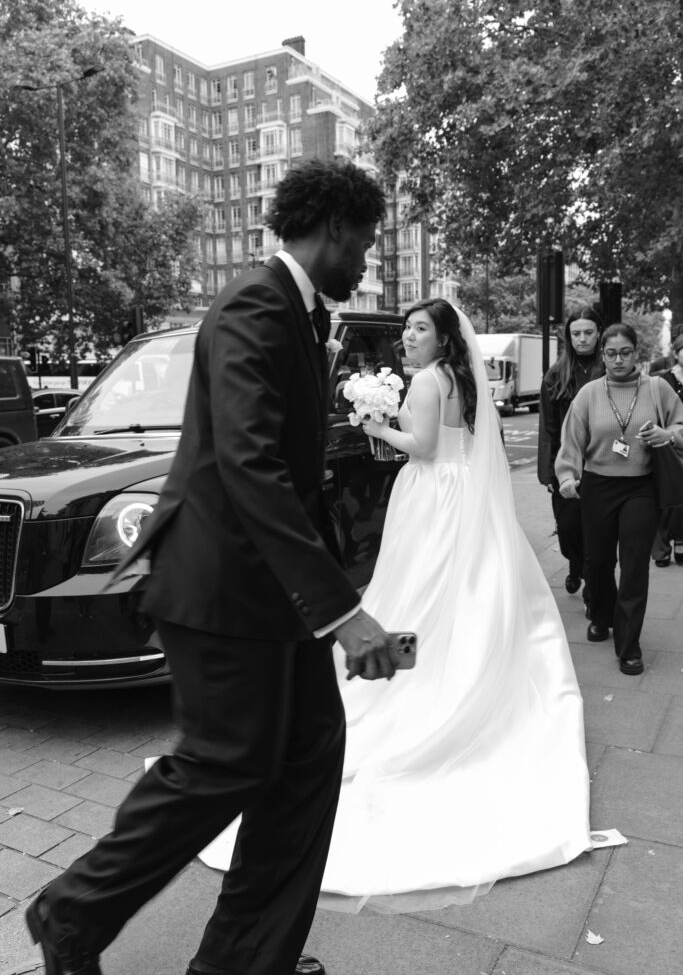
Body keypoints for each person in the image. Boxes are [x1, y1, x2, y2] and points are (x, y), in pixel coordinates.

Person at [24, 159, 399, 975]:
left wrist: (327, 601)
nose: (366, 260)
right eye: (365, 241)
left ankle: (243, 961)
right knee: (223, 762)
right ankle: (71, 912)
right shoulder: (253, 308)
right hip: (220, 590)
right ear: (333, 228)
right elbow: (250, 467)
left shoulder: (297, 315)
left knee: (304, 763)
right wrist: (344, 612)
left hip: (272, 597)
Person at [200, 298, 593, 912]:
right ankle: (458, 660)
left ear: (441, 340)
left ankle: (424, 677)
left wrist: (374, 425)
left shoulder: (430, 381)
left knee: (423, 585)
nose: (407, 338)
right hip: (460, 496)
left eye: (417, 329)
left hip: (434, 493)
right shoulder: (455, 376)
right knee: (459, 590)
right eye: (406, 328)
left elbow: (426, 446)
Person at [556, 322, 683, 675]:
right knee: (597, 562)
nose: (617, 360)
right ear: (603, 354)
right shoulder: (590, 394)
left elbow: (681, 426)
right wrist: (567, 476)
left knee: (634, 565)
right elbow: (571, 441)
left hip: (641, 488)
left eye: (625, 353)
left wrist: (667, 434)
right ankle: (600, 613)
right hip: (598, 486)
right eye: (610, 353)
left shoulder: (656, 388)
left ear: (636, 353)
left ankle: (629, 644)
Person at [538, 307, 603, 605]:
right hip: (566, 465)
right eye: (576, 333)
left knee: (596, 532)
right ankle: (575, 564)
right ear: (568, 336)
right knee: (567, 530)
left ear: (599, 333)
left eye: (588, 332)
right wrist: (548, 473)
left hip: (602, 465)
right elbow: (548, 426)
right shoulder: (556, 373)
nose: (582, 338)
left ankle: (592, 584)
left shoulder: (609, 369)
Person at [650, 331, 683, 567]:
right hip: (666, 444)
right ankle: (660, 549)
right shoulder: (663, 379)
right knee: (663, 497)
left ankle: (680, 542)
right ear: (677, 353)